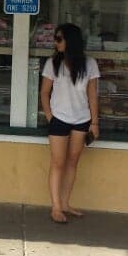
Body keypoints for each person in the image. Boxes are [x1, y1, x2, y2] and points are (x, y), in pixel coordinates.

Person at [40, 23, 100, 224]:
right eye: (55, 39)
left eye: (59, 39)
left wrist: (94, 123)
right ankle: (56, 207)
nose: (56, 43)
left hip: (81, 120)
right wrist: (50, 116)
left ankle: (65, 204)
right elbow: (44, 92)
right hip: (59, 119)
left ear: (70, 41)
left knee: (73, 163)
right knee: (58, 163)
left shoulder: (90, 64)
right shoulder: (52, 63)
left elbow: (92, 96)